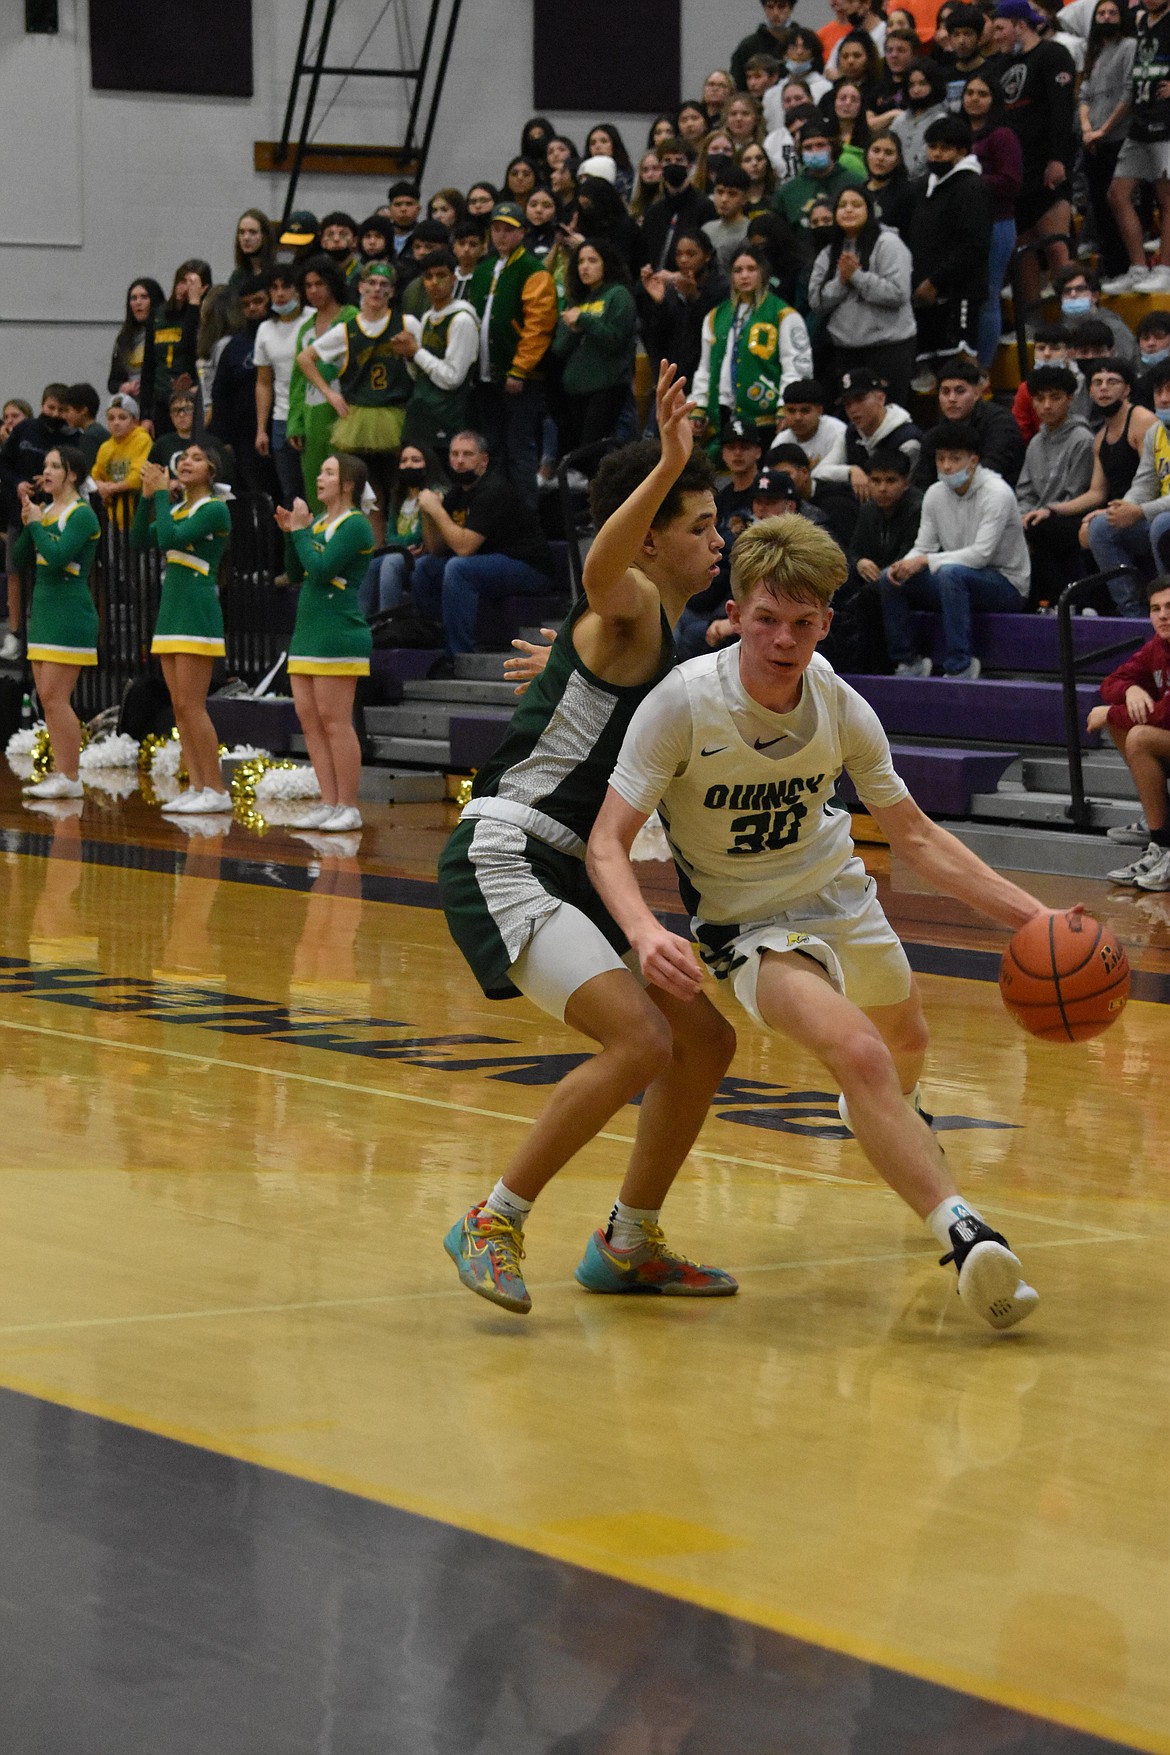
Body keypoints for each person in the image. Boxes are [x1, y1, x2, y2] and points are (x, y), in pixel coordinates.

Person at [588, 514, 1047, 1334]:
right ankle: (966, 1235)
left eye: (803, 623)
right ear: (734, 612)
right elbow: (607, 844)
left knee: (904, 1044)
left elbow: (916, 838)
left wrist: (1035, 916)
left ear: (826, 624)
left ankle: (888, 1115)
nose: (782, 639)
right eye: (765, 619)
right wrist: (645, 931)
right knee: (860, 1052)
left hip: (840, 897)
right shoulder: (683, 705)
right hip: (748, 927)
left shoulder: (839, 703)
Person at [437, 367, 737, 1316]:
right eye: (700, 523)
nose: (718, 536)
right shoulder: (638, 600)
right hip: (508, 851)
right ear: (652, 538)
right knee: (643, 1038)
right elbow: (607, 578)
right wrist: (669, 463)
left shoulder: (662, 632)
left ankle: (629, 1239)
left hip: (570, 869)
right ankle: (493, 1217)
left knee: (703, 1038)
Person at [878, 422, 1029, 676]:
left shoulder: (997, 493)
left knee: (950, 573)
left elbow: (981, 555)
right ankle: (908, 661)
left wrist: (924, 560)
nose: (947, 466)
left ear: (973, 461)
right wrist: (906, 563)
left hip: (1006, 584)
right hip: (957, 580)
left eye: (955, 459)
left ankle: (961, 664)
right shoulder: (935, 494)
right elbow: (923, 546)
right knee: (889, 578)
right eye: (941, 458)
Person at [275, 452, 374, 836]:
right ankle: (328, 802)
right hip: (308, 632)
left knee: (335, 722)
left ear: (348, 484)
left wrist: (300, 533)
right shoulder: (317, 523)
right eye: (321, 470)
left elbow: (321, 569)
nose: (320, 477)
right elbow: (297, 571)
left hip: (338, 632)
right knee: (310, 721)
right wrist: (291, 533)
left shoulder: (356, 526)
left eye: (329, 472)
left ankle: (349, 806)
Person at [132, 446, 233, 813]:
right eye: (183, 457)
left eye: (196, 457)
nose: (186, 461)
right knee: (179, 707)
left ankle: (217, 791)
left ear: (212, 469)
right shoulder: (177, 509)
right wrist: (147, 499)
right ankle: (197, 783)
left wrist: (160, 493)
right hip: (172, 612)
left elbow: (168, 540)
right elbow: (139, 540)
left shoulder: (215, 509)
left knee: (192, 705)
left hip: (196, 611)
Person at [410, 430, 554, 662]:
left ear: (483, 461)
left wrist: (437, 511)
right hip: (487, 562)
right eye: (454, 454)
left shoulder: (494, 489)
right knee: (425, 566)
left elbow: (464, 548)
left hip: (529, 567)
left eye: (467, 454)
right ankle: (433, 641)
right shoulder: (457, 493)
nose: (459, 460)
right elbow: (436, 549)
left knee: (458, 568)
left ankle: (457, 655)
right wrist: (429, 515)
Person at [296, 260, 412, 537]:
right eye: (371, 283)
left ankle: (401, 549)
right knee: (370, 498)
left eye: (383, 285)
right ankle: (374, 556)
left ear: (392, 291)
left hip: (395, 413)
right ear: (360, 287)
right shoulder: (346, 330)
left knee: (400, 489)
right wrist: (330, 394)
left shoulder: (407, 324)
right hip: (359, 418)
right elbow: (304, 358)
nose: (376, 289)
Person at [12, 444, 100, 800]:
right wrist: (28, 519)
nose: (45, 472)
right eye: (44, 466)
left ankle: (70, 775)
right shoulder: (46, 511)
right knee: (47, 699)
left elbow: (59, 557)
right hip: (45, 612)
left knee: (57, 698)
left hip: (69, 612)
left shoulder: (82, 515)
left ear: (72, 474)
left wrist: (36, 526)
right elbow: (21, 559)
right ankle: (62, 772)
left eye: (54, 466)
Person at [467, 202, 557, 511]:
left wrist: (519, 370)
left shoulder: (533, 271)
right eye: (497, 229)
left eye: (509, 230)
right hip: (485, 376)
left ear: (522, 233)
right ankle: (496, 513)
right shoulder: (482, 270)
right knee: (493, 449)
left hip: (518, 377)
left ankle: (525, 517)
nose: (501, 235)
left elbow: (538, 326)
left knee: (520, 450)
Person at [996, 0, 1076, 310]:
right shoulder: (1001, 64)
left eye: (1001, 28)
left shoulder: (1052, 55)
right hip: (1017, 171)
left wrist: (1058, 159)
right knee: (1022, 251)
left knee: (1056, 247)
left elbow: (1061, 111)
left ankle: (1074, 318)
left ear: (1020, 24)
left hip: (1046, 164)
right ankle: (1031, 324)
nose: (996, 35)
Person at [807, 184, 916, 406]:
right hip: (846, 351)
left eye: (856, 205)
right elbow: (816, 302)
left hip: (888, 349)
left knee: (888, 413)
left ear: (869, 210)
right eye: (842, 206)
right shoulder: (829, 252)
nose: (848, 210)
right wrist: (842, 281)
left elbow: (898, 293)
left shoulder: (888, 244)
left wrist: (858, 277)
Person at [693, 245, 812, 447]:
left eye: (751, 269)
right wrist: (699, 406)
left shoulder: (783, 315)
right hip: (722, 411)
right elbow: (705, 368)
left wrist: (786, 406)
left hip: (766, 417)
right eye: (738, 270)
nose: (744, 276)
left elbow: (796, 366)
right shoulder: (715, 317)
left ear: (763, 272)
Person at [1093, 579, 1170, 889]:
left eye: (1169, 607)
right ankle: (1159, 831)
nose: (1163, 615)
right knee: (1124, 726)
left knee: (1137, 734)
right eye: (1155, 609)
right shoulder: (1158, 647)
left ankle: (1163, 840)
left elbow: (1165, 714)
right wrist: (1131, 688)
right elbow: (1110, 682)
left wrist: (1109, 711)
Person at [906, 115, 991, 381]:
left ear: (962, 151)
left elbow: (974, 246)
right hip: (925, 293)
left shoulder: (971, 187)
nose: (936, 154)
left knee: (963, 366)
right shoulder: (924, 187)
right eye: (932, 147)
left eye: (944, 148)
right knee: (935, 368)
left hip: (960, 292)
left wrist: (935, 281)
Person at [1084, 359, 1170, 613]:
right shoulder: (1157, 432)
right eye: (1158, 391)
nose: (1164, 399)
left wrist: (1141, 511)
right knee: (1101, 527)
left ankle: (1166, 603)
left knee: (1161, 524)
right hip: (1159, 514)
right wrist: (1124, 507)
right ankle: (1134, 612)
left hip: (1162, 520)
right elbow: (1144, 481)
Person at [1016, 365, 1096, 607]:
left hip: (1072, 514)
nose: (1047, 405)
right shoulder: (1036, 442)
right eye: (1040, 399)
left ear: (1070, 399)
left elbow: (1077, 492)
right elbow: (1025, 491)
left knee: (1041, 528)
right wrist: (1022, 514)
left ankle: (1062, 603)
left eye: (1055, 397)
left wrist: (1045, 511)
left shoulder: (1082, 439)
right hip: (1040, 515)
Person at [550, 240, 637, 462]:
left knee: (592, 454)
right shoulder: (577, 299)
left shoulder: (618, 295)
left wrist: (585, 320)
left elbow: (616, 340)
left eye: (592, 260)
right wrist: (574, 329)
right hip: (574, 390)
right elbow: (559, 348)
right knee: (576, 456)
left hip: (607, 387)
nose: (584, 267)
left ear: (606, 263)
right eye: (580, 262)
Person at [962, 74, 1024, 369]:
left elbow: (1011, 181)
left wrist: (969, 182)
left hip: (997, 223)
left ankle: (983, 368)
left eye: (982, 93)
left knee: (988, 296)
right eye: (969, 92)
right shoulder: (959, 134)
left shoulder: (1002, 135)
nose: (974, 98)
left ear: (994, 99)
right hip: (964, 226)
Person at [1068, 362, 1155, 568]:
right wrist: (1051, 510)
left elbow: (1151, 482)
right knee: (1059, 527)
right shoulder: (1099, 438)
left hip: (1146, 510)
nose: (1103, 388)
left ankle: (1130, 601)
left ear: (1127, 389)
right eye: (1097, 383)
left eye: (1112, 381)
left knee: (1098, 528)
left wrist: (1108, 513)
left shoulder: (1142, 420)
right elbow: (1096, 493)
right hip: (1119, 511)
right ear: (1090, 391)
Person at [287, 255, 356, 514]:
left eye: (320, 284)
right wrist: (295, 422)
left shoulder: (352, 318)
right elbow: (297, 380)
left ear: (333, 284)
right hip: (312, 413)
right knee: (317, 487)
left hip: (344, 410)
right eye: (308, 285)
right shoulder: (306, 327)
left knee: (346, 482)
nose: (313, 290)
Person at [395, 249, 479, 453]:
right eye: (428, 276)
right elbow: (419, 374)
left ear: (454, 278)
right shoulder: (427, 318)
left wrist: (416, 352)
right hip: (422, 413)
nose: (434, 282)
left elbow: (452, 379)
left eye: (441, 276)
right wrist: (408, 356)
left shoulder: (462, 319)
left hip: (449, 416)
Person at [1077, 0, 1137, 283]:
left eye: (1112, 12)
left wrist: (1104, 130)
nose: (1107, 17)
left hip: (1119, 137)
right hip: (1093, 139)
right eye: (1101, 13)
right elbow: (1084, 96)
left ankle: (1124, 266)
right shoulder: (1095, 52)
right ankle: (1111, 265)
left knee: (1118, 202)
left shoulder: (1128, 46)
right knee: (1099, 205)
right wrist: (1088, 129)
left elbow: (1128, 94)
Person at [208, 275, 276, 498]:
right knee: (253, 497)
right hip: (245, 439)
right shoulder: (235, 346)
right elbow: (221, 394)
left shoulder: (284, 335)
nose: (252, 309)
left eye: (258, 301)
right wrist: (225, 440)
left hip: (281, 428)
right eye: (246, 305)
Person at [914, 354, 1026, 488]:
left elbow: (992, 471)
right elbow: (923, 481)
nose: (952, 399)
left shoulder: (1000, 423)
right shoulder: (936, 433)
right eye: (945, 392)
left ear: (977, 393)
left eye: (960, 391)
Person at [637, 230, 728, 393]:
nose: (683, 260)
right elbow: (656, 336)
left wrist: (694, 298)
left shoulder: (720, 289)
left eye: (691, 254)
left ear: (707, 256)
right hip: (673, 379)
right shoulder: (670, 288)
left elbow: (712, 332)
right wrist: (660, 303)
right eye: (678, 254)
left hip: (707, 380)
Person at [817, 367, 922, 497]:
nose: (853, 409)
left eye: (860, 399)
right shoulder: (851, 432)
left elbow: (906, 491)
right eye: (847, 404)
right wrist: (851, 471)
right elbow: (819, 472)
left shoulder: (907, 440)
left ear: (881, 398)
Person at [140, 260, 211, 436]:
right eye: (181, 281)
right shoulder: (158, 314)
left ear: (203, 288)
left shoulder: (205, 316)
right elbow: (148, 364)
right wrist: (145, 414)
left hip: (191, 400)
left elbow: (190, 346)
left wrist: (194, 304)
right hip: (162, 399)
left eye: (191, 283)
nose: (183, 288)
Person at [253, 264, 304, 508]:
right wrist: (262, 428)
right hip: (281, 418)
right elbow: (263, 383)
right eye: (274, 288)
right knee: (290, 494)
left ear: (298, 290)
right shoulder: (265, 329)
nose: (280, 293)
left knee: (318, 489)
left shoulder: (313, 319)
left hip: (310, 413)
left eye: (286, 286)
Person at [774, 115, 865, 228]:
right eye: (808, 147)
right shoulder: (787, 192)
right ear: (800, 151)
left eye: (820, 145)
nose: (814, 151)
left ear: (832, 146)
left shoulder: (857, 184)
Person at [91, 393, 152, 531]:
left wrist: (110, 489)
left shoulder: (142, 440)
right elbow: (95, 476)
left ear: (135, 421)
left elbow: (137, 478)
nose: (116, 422)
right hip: (113, 519)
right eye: (111, 418)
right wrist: (100, 486)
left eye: (122, 417)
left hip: (140, 520)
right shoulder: (105, 447)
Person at [890, 60, 949, 174]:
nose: (916, 90)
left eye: (923, 84)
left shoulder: (941, 121)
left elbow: (923, 165)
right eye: (911, 85)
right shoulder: (899, 121)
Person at [108, 279, 165, 399]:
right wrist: (123, 387)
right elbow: (112, 382)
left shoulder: (165, 333)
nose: (138, 302)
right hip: (131, 404)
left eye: (144, 297)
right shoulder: (124, 337)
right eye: (133, 298)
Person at [776, 377, 846, 471]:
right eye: (791, 411)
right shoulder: (781, 440)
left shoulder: (838, 432)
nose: (798, 418)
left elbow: (829, 472)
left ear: (819, 411)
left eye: (805, 411)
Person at [732, 0, 798, 89]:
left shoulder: (804, 43)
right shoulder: (748, 46)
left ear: (791, 9)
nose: (775, 13)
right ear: (764, 9)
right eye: (770, 7)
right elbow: (738, 85)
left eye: (781, 7)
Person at [703, 165, 753, 270]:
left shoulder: (749, 233)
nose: (724, 199)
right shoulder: (707, 229)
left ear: (744, 198)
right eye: (720, 192)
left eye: (732, 194)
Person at [60, 384, 109, 473]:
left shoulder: (90, 437)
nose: (64, 416)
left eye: (67, 410)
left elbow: (86, 473)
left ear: (83, 410)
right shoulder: (100, 432)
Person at [148, 388, 198, 471]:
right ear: (170, 415)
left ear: (197, 411)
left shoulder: (209, 443)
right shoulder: (161, 444)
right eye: (175, 410)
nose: (181, 414)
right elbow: (145, 475)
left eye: (187, 409)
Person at [229, 209, 276, 292]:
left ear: (264, 236)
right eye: (242, 232)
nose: (246, 238)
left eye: (253, 232)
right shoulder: (237, 277)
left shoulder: (275, 274)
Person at [386, 182, 421, 258]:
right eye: (398, 204)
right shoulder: (382, 235)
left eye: (409, 204)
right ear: (389, 209)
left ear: (418, 209)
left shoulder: (425, 236)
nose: (403, 209)